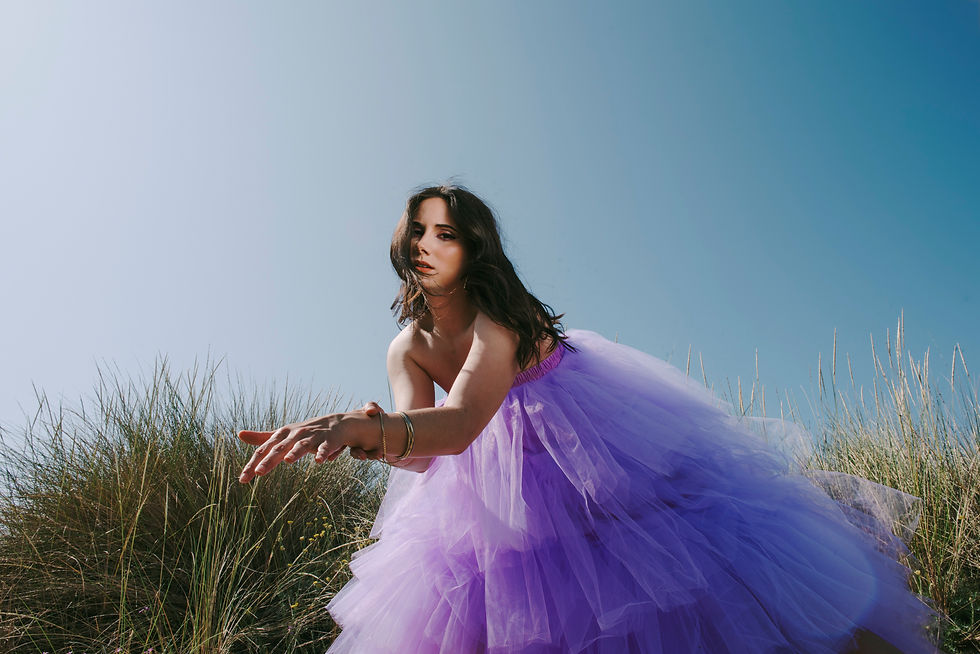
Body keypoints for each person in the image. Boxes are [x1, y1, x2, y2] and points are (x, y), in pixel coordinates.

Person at [237, 184, 944, 653]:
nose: (426, 243)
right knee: (531, 611)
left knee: (691, 576)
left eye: (445, 232)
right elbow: (428, 449)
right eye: (416, 230)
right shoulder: (410, 346)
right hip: (497, 490)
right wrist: (369, 434)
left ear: (473, 245)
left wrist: (367, 429)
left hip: (595, 453)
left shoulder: (499, 321)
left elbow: (461, 422)